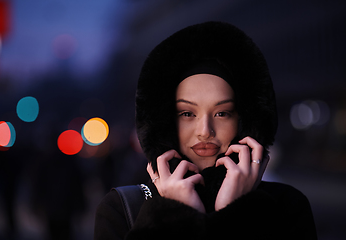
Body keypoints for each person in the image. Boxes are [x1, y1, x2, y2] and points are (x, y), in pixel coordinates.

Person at [94, 21, 317, 240]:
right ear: (164, 122)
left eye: (222, 113)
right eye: (187, 114)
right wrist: (175, 216)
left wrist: (235, 213)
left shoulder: (288, 206)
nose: (205, 131)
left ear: (244, 121)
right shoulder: (121, 210)